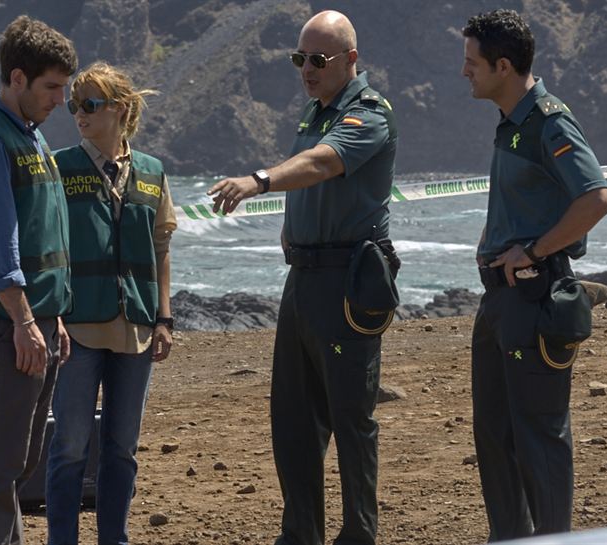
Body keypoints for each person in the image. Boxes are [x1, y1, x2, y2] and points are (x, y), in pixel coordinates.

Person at [207, 10, 397, 545]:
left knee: (351, 417)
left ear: (351, 60)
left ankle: (360, 531)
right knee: (292, 418)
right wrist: (294, 230)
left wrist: (259, 180)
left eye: (318, 59)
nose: (307, 70)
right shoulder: (315, 111)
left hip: (348, 282)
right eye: (300, 59)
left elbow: (322, 163)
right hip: (305, 279)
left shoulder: (368, 113)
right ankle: (301, 533)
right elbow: (312, 173)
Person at [461, 9, 607, 541]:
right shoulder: (513, 123)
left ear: (504, 66)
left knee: (539, 439)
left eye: (473, 62)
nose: (466, 73)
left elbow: (597, 198)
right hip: (499, 303)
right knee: (495, 437)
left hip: (534, 297)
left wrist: (532, 251)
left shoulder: (549, 120)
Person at [0, 15, 76, 545]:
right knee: (0, 460)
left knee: (21, 458)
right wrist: (25, 321)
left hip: (36, 320)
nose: (61, 101)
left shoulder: (31, 137)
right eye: (52, 88)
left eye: (65, 89)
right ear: (18, 78)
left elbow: (43, 235)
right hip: (6, 324)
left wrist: (55, 319)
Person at [44, 62, 176, 545]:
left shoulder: (152, 173)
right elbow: (47, 247)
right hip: (77, 329)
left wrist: (164, 318)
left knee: (122, 449)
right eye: (76, 105)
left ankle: (113, 539)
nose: (78, 113)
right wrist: (50, 315)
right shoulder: (59, 168)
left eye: (90, 105)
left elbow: (162, 252)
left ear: (120, 109)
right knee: (70, 446)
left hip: (137, 331)